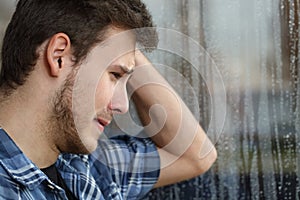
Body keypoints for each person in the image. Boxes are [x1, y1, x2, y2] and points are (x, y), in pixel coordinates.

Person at [0, 0, 217, 199]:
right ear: (58, 56)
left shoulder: (86, 168)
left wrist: (125, 47)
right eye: (115, 75)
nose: (122, 105)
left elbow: (195, 154)